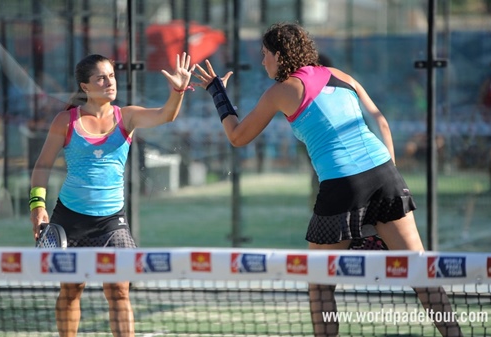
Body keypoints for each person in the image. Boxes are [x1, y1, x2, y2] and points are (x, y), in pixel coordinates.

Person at [191, 22, 462, 337]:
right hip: (386, 174)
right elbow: (382, 124)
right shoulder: (344, 77)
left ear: (280, 55)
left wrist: (217, 94)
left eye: (265, 54)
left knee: (319, 285)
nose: (263, 61)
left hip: (342, 186)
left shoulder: (281, 91)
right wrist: (387, 177)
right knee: (421, 272)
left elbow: (238, 137)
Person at [30, 52, 194, 337]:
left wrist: (178, 90)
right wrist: (37, 207)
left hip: (111, 222)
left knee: (119, 290)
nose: (110, 82)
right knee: (71, 291)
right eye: (101, 78)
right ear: (85, 87)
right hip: (70, 220)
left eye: (112, 76)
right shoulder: (65, 121)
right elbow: (42, 165)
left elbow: (166, 115)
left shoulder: (126, 116)